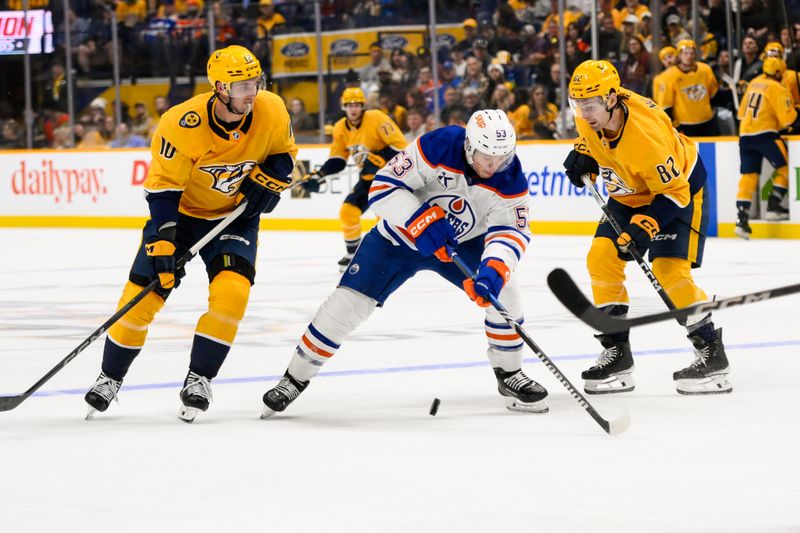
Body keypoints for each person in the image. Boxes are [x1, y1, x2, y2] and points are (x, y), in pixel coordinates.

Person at [260, 109, 549, 417]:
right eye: (486, 158)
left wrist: (494, 269)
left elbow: (510, 230)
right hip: (398, 239)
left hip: (460, 246)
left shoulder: (511, 177)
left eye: (502, 158)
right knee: (347, 304)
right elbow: (383, 186)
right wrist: (420, 220)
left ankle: (509, 374)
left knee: (504, 291)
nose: (494, 167)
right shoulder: (438, 145)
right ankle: (294, 378)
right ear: (468, 146)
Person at [83, 45, 297, 422]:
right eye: (243, 84)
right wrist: (165, 242)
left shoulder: (272, 109)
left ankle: (199, 377)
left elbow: (283, 156)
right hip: (180, 217)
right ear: (219, 87)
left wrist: (272, 180)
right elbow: (163, 190)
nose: (252, 91)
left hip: (234, 218)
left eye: (256, 81)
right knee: (142, 298)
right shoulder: (180, 124)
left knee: (232, 295)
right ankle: (110, 377)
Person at [563, 60, 731, 395]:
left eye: (590, 105)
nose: (583, 112)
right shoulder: (591, 110)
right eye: (577, 105)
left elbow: (675, 193)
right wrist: (585, 155)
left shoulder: (645, 134)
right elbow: (598, 143)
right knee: (601, 257)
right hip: (629, 191)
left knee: (669, 272)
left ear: (611, 100)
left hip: (679, 191)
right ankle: (617, 352)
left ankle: (712, 352)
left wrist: (645, 228)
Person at [302, 87, 407, 270]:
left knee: (383, 218)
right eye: (349, 105)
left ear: (363, 106)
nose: (353, 108)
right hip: (368, 180)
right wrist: (319, 175)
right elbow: (338, 160)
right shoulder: (340, 127)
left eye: (357, 104)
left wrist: (379, 158)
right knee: (348, 212)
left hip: (390, 179)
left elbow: (401, 148)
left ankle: (388, 254)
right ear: (344, 106)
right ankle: (352, 254)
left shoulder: (376, 118)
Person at [735, 57, 799, 239]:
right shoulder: (778, 88)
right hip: (766, 135)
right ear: (778, 73)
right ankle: (774, 205)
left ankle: (742, 218)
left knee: (749, 176)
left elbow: (741, 113)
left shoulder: (754, 83)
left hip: (745, 136)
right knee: (785, 168)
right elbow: (789, 119)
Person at [657, 40, 719, 136]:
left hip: (707, 121)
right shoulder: (668, 76)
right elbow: (666, 105)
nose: (689, 56)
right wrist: (675, 126)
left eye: (692, 53)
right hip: (684, 125)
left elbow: (714, 94)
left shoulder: (705, 69)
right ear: (679, 55)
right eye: (685, 53)